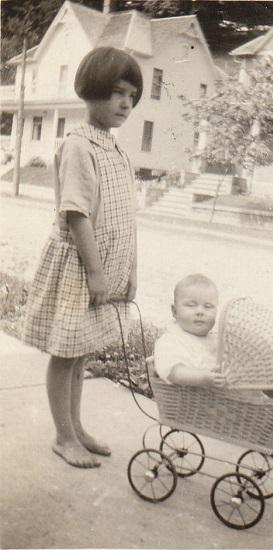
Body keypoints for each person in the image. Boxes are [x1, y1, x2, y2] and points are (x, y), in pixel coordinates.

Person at [23, 47, 143, 468]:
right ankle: (62, 436)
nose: (125, 103)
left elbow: (126, 216)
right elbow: (75, 213)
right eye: (115, 93)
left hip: (106, 268)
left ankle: (76, 427)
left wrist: (129, 269)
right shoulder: (78, 145)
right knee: (66, 352)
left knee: (83, 352)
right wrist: (95, 272)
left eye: (131, 94)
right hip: (79, 266)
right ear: (90, 92)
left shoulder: (116, 150)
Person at [154, 274, 227, 389]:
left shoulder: (215, 339)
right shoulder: (170, 340)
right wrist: (203, 378)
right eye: (191, 305)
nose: (200, 312)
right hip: (187, 401)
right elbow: (174, 372)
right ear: (174, 311)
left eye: (208, 307)